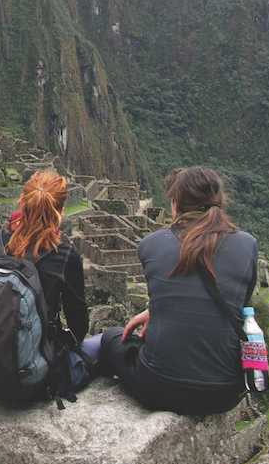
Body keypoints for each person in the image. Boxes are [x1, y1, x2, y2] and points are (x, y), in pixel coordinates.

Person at [91, 167, 257, 416]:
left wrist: (156, 310)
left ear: (175, 203)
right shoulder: (247, 245)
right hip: (225, 393)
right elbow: (239, 306)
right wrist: (154, 310)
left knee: (112, 337)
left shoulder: (152, 244)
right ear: (220, 203)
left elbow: (169, 287)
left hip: (158, 387)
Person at [0, 170, 89, 344]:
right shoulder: (64, 255)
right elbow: (78, 326)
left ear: (22, 200)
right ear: (61, 210)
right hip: (37, 363)